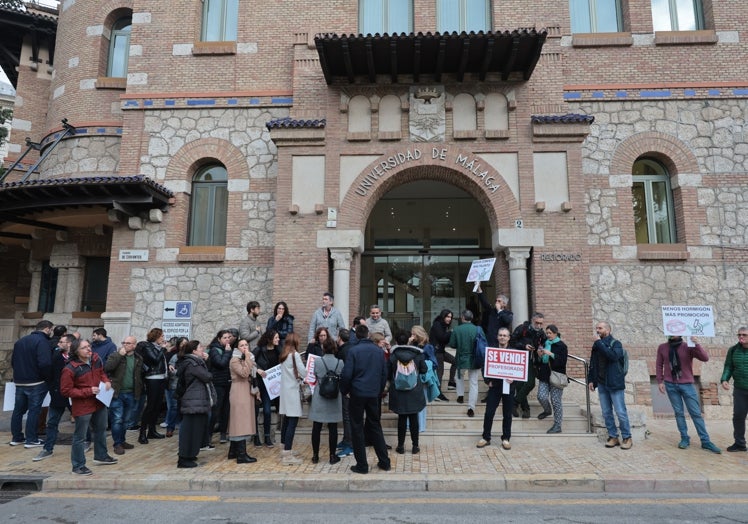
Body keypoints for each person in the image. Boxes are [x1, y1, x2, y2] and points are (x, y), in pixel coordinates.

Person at [60, 338, 117, 475]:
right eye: (84, 348)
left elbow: (102, 373)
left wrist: (106, 381)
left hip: (99, 401)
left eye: (89, 346)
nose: (89, 349)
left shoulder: (96, 359)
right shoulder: (70, 368)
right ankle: (78, 465)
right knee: (80, 437)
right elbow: (65, 391)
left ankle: (101, 455)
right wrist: (87, 391)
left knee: (101, 429)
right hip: (83, 405)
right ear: (76, 351)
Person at [340, 324, 391, 474]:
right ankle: (384, 461)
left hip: (357, 393)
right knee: (375, 426)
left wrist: (345, 390)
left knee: (357, 428)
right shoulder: (378, 351)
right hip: (373, 393)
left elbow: (347, 373)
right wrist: (379, 391)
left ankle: (362, 465)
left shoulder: (353, 351)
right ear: (368, 335)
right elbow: (384, 373)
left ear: (356, 336)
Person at [656, 335, 720, 453]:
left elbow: (705, 358)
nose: (673, 333)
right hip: (670, 384)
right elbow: (659, 365)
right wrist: (660, 381)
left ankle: (705, 441)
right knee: (679, 413)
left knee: (695, 413)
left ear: (681, 333)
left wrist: (697, 344)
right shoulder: (662, 347)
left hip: (687, 384)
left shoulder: (688, 346)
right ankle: (684, 438)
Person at [588, 321, 632, 450]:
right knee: (606, 412)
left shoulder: (616, 344)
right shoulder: (597, 345)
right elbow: (593, 364)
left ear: (608, 330)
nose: (597, 330)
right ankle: (613, 437)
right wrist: (591, 380)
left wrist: (599, 343)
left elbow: (612, 356)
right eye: (596, 328)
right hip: (602, 384)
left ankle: (627, 437)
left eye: (600, 328)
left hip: (615, 383)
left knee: (620, 412)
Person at [10, 319, 53, 448]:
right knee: (34, 411)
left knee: (18, 410)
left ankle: (16, 437)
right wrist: (47, 378)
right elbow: (45, 363)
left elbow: (13, 361)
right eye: (51, 330)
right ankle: (31, 439)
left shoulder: (20, 341)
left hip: (20, 381)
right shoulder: (43, 342)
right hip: (36, 382)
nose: (51, 332)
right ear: (47, 329)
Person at [33, 334, 74, 461]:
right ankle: (47, 448)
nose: (58, 344)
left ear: (69, 344)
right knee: (52, 422)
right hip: (58, 393)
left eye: (62, 342)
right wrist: (52, 387)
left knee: (81, 420)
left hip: (74, 394)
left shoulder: (76, 357)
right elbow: (49, 372)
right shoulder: (56, 356)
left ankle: (87, 440)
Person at [176, 340, 216, 468]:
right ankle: (183, 458)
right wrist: (207, 363)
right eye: (200, 347)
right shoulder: (192, 363)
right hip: (193, 402)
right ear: (193, 351)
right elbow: (207, 376)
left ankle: (190, 454)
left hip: (196, 401)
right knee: (190, 430)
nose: (202, 349)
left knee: (196, 430)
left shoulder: (196, 362)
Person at [388, 332, 428, 454]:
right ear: (408, 341)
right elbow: (424, 369)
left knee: (401, 418)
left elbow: (388, 372)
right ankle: (415, 446)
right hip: (414, 391)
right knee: (414, 418)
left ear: (396, 341)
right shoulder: (417, 355)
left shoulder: (393, 355)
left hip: (398, 392)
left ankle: (400, 446)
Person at [104, 335, 143, 455]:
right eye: (124, 342)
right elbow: (107, 368)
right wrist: (119, 355)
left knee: (126, 420)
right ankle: (117, 444)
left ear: (134, 345)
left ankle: (122, 440)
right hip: (117, 393)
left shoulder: (138, 358)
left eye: (128, 343)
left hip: (131, 393)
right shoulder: (116, 355)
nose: (125, 345)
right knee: (117, 419)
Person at [477, 327, 515, 450]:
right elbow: (484, 366)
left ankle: (506, 438)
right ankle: (486, 437)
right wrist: (488, 381)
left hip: (509, 386)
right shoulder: (491, 351)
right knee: (489, 413)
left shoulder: (515, 352)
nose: (502, 337)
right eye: (500, 335)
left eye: (505, 335)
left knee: (507, 414)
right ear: (497, 337)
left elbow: (520, 370)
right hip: (495, 386)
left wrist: (514, 379)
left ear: (509, 338)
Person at [308, 336, 343, 464]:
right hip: (334, 396)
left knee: (316, 427)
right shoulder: (340, 362)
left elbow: (314, 376)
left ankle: (315, 456)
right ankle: (332, 456)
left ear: (323, 348)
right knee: (333, 428)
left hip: (320, 396)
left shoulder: (317, 362)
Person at [511, 312, 547, 418]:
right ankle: (526, 409)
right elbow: (512, 341)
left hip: (531, 361)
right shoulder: (522, 328)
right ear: (532, 320)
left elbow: (544, 344)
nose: (539, 326)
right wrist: (523, 346)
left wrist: (540, 349)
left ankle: (514, 402)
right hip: (519, 359)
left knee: (530, 383)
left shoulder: (541, 333)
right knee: (519, 385)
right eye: (537, 323)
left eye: (541, 323)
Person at [227, 338, 258, 464]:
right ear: (237, 348)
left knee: (241, 420)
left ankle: (233, 451)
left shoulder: (244, 358)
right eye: (241, 345)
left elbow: (251, 371)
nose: (245, 347)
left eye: (246, 345)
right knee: (240, 421)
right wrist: (248, 359)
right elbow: (244, 373)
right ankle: (241, 455)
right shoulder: (235, 360)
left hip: (245, 390)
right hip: (239, 390)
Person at [137, 328, 168, 444]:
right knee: (150, 406)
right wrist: (164, 349)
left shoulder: (159, 348)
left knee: (157, 406)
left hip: (161, 378)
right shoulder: (148, 347)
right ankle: (142, 433)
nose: (163, 338)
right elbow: (155, 360)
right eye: (161, 336)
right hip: (152, 378)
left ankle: (152, 431)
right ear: (156, 337)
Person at [278, 333, 305, 465]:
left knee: (286, 421)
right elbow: (304, 372)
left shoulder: (283, 355)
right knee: (292, 423)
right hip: (292, 392)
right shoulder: (295, 355)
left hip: (284, 392)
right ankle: (287, 455)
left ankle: (284, 448)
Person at [449, 310, 481, 418]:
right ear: (471, 318)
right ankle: (471, 407)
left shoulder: (457, 329)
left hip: (461, 358)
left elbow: (452, 344)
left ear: (462, 317)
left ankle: (460, 396)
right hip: (475, 359)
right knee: (474, 383)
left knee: (459, 377)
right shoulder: (477, 329)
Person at [536, 324, 568, 434]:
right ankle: (547, 410)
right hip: (544, 374)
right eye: (547, 333)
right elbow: (542, 361)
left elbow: (562, 362)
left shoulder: (561, 345)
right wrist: (540, 355)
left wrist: (551, 354)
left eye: (550, 333)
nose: (548, 335)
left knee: (556, 401)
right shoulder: (546, 343)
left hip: (557, 376)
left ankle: (557, 425)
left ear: (555, 333)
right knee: (541, 396)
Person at [721, 327, 748, 452]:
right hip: (740, 390)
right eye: (739, 335)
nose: (741, 337)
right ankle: (740, 444)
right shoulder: (733, 350)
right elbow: (729, 366)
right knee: (738, 416)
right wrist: (724, 379)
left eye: (744, 335)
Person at [253, 329, 280, 447]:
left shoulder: (279, 349)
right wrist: (258, 369)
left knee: (268, 411)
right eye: (276, 338)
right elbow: (250, 361)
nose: (278, 340)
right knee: (257, 411)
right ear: (270, 339)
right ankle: (256, 437)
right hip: (261, 384)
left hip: (273, 385)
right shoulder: (259, 349)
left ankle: (267, 437)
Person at [207, 329, 234, 444]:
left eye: (229, 337)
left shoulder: (229, 349)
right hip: (218, 383)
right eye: (225, 338)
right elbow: (221, 363)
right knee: (216, 410)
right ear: (219, 339)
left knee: (226, 409)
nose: (227, 339)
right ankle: (208, 436)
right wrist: (228, 353)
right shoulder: (214, 350)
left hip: (228, 383)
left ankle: (223, 434)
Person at [429, 309, 456, 400]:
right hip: (437, 352)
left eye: (450, 317)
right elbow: (442, 337)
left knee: (455, 361)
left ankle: (451, 383)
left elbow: (445, 340)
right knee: (440, 372)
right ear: (443, 316)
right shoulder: (437, 325)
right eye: (447, 316)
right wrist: (451, 332)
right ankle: (438, 393)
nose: (449, 319)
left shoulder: (444, 326)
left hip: (441, 351)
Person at [334, 328, 354, 458]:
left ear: (340, 338)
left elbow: (347, 372)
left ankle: (350, 445)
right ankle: (346, 440)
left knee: (347, 417)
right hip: (349, 387)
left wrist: (347, 390)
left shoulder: (344, 352)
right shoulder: (349, 349)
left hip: (348, 389)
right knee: (346, 416)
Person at [164, 336, 188, 437]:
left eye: (186, 344)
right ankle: (170, 428)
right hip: (174, 384)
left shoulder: (190, 356)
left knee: (185, 407)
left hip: (186, 385)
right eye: (182, 344)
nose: (184, 346)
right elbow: (171, 371)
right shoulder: (175, 357)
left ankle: (184, 427)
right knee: (173, 407)